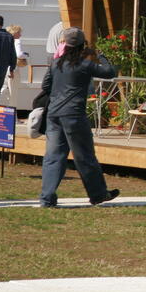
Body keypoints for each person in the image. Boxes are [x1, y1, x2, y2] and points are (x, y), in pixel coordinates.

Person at [38, 27, 119, 207]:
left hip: (54, 114)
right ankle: (98, 194)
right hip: (74, 114)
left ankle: (47, 198)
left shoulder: (55, 63)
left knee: (53, 156)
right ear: (83, 46)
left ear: (65, 45)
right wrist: (100, 55)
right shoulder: (85, 65)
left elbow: (46, 85)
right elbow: (110, 72)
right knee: (84, 156)